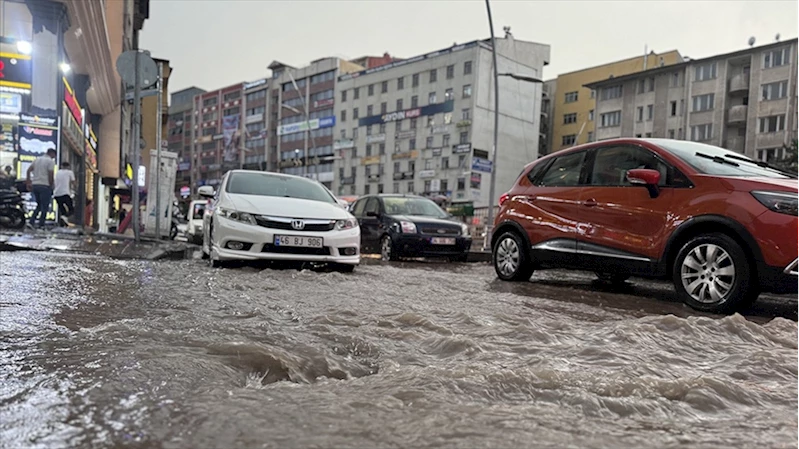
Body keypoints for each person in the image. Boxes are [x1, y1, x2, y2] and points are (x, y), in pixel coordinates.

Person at [26, 148, 56, 228]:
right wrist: (51, 185)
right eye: (54, 156)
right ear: (52, 154)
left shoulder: (37, 160)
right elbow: (51, 174)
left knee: (39, 205)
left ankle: (31, 222)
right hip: (45, 186)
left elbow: (28, 170)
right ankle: (41, 224)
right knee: (45, 206)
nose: (54, 157)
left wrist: (28, 182)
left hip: (35, 185)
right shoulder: (50, 161)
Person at [53, 161, 76, 227]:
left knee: (62, 210)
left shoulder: (57, 173)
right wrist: (75, 188)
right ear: (68, 166)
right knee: (71, 209)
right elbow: (73, 182)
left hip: (57, 194)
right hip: (65, 193)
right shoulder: (70, 172)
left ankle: (63, 224)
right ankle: (64, 217)